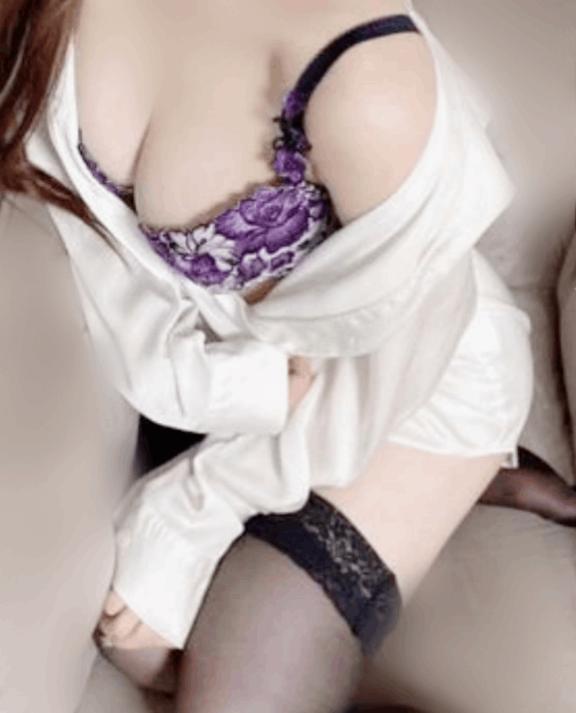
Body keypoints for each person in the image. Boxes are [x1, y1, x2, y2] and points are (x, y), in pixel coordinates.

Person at [0, 0, 567, 710]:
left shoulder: (368, 81)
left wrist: (186, 515)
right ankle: (472, 483)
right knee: (142, 651)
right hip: (241, 381)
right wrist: (228, 386)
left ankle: (461, 462)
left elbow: (385, 367)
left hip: (402, 384)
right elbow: (83, 236)